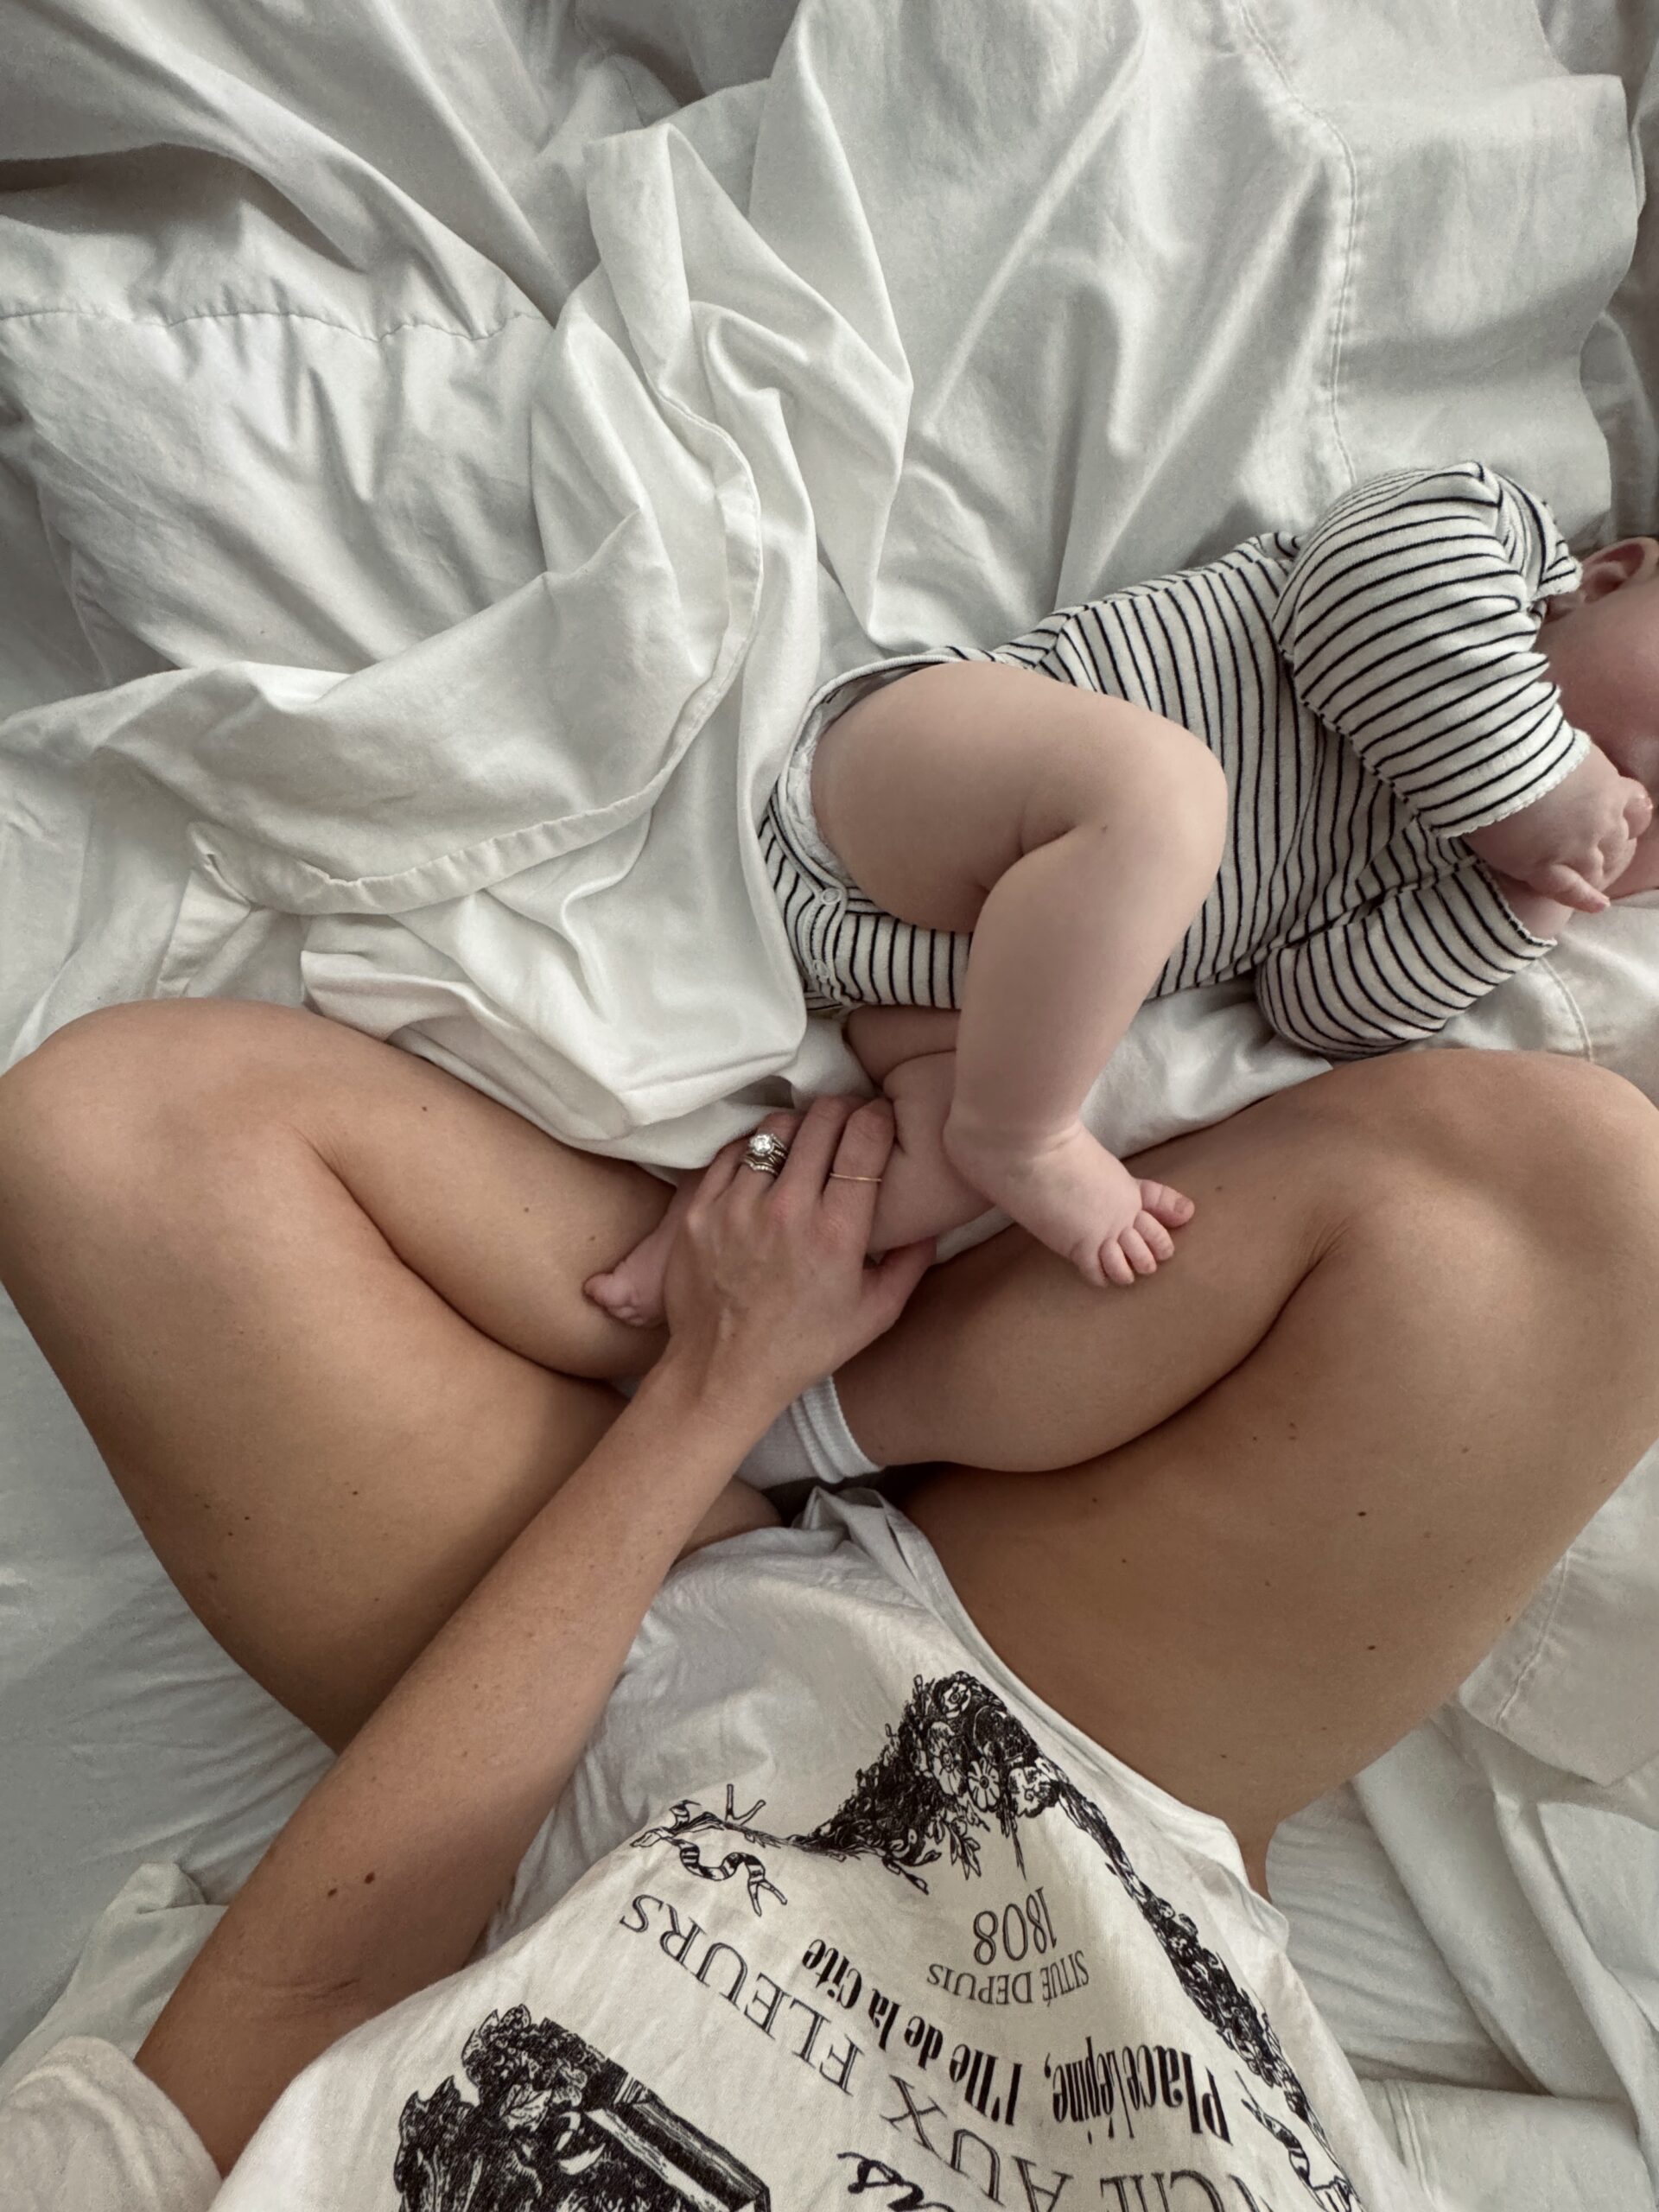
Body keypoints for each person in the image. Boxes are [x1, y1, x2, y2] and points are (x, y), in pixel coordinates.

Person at [3, 1003, 1659, 2203]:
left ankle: (797, 1348)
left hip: (554, 1780)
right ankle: (823, 1347)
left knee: (113, 1145)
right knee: (1582, 1203)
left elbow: (314, 1992)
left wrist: (719, 1395)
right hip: (1095, 1783)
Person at [588, 461, 1659, 1315]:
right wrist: (1539, 782)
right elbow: (1362, 596)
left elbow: (1320, 1005)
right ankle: (1022, 1136)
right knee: (1163, 796)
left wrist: (1523, 904)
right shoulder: (1492, 547)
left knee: (956, 1158)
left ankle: (706, 1232)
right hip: (914, 782)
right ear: (1611, 577)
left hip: (926, 988)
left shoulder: (1450, 868)